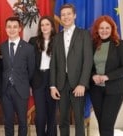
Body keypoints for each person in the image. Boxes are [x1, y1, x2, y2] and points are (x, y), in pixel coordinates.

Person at [50, 4, 93, 136]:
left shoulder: (84, 34)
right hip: (61, 84)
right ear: (60, 17)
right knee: (62, 119)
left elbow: (88, 60)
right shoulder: (56, 38)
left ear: (74, 15)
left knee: (79, 119)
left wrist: (83, 83)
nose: (66, 17)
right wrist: (53, 86)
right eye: (63, 14)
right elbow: (54, 63)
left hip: (78, 84)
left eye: (69, 14)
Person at [89, 15, 123, 136]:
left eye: (107, 28)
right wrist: (93, 76)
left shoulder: (119, 44)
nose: (104, 30)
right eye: (101, 28)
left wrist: (107, 76)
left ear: (112, 29)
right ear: (97, 29)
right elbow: (88, 67)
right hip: (96, 90)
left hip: (115, 90)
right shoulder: (93, 45)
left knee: (107, 124)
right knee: (102, 123)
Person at [0, 16, 35, 136]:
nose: (12, 29)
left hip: (21, 90)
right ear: (5, 29)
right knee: (8, 121)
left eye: (15, 27)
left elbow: (31, 70)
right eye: (9, 27)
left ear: (20, 29)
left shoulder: (28, 48)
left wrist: (26, 84)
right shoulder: (1, 47)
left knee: (22, 121)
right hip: (5, 90)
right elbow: (0, 69)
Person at [28, 16, 57, 136]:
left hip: (53, 80)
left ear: (52, 27)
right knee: (40, 114)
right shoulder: (33, 41)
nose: (44, 27)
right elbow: (29, 63)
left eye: (47, 24)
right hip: (37, 80)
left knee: (52, 113)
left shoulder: (58, 40)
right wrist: (30, 83)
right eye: (42, 25)